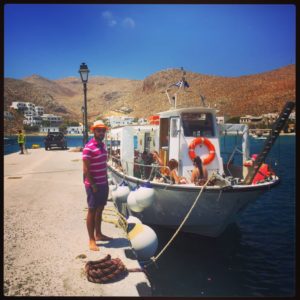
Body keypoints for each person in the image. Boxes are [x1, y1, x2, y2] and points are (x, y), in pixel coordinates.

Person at [82, 120, 112, 251]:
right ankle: (91, 240)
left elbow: (103, 165)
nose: (101, 132)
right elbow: (86, 170)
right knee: (92, 210)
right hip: (93, 185)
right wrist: (93, 184)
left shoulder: (102, 146)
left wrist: (105, 182)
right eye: (98, 130)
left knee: (100, 209)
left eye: (103, 130)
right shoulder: (89, 148)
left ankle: (98, 234)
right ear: (93, 131)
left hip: (103, 183)